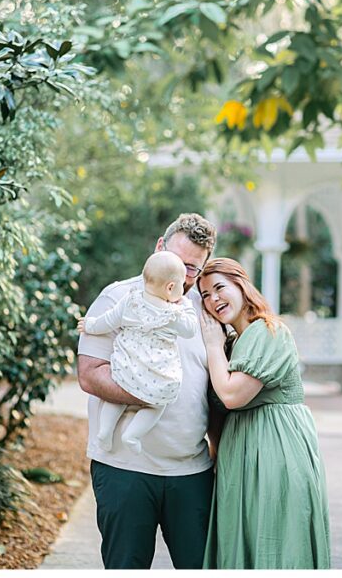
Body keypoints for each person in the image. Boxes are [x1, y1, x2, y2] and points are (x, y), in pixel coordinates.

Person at [78, 213, 220, 569]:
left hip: (191, 472)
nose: (182, 276)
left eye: (193, 269)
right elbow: (90, 374)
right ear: (159, 247)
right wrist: (150, 395)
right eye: (177, 261)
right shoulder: (117, 297)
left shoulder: (204, 312)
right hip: (124, 468)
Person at [197, 257, 331, 569]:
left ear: (242, 286)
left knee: (277, 544)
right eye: (205, 295)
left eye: (219, 288)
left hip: (278, 453)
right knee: (241, 544)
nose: (213, 299)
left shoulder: (270, 332)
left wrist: (213, 347)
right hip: (238, 459)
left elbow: (231, 395)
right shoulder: (233, 343)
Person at [77, 251, 199, 454]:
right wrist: (186, 306)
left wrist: (89, 325)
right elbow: (190, 329)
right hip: (155, 374)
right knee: (157, 404)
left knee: (116, 396)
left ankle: (105, 431)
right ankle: (132, 435)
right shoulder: (173, 314)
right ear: (171, 287)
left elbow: (107, 321)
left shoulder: (130, 301)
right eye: (181, 286)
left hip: (127, 365)